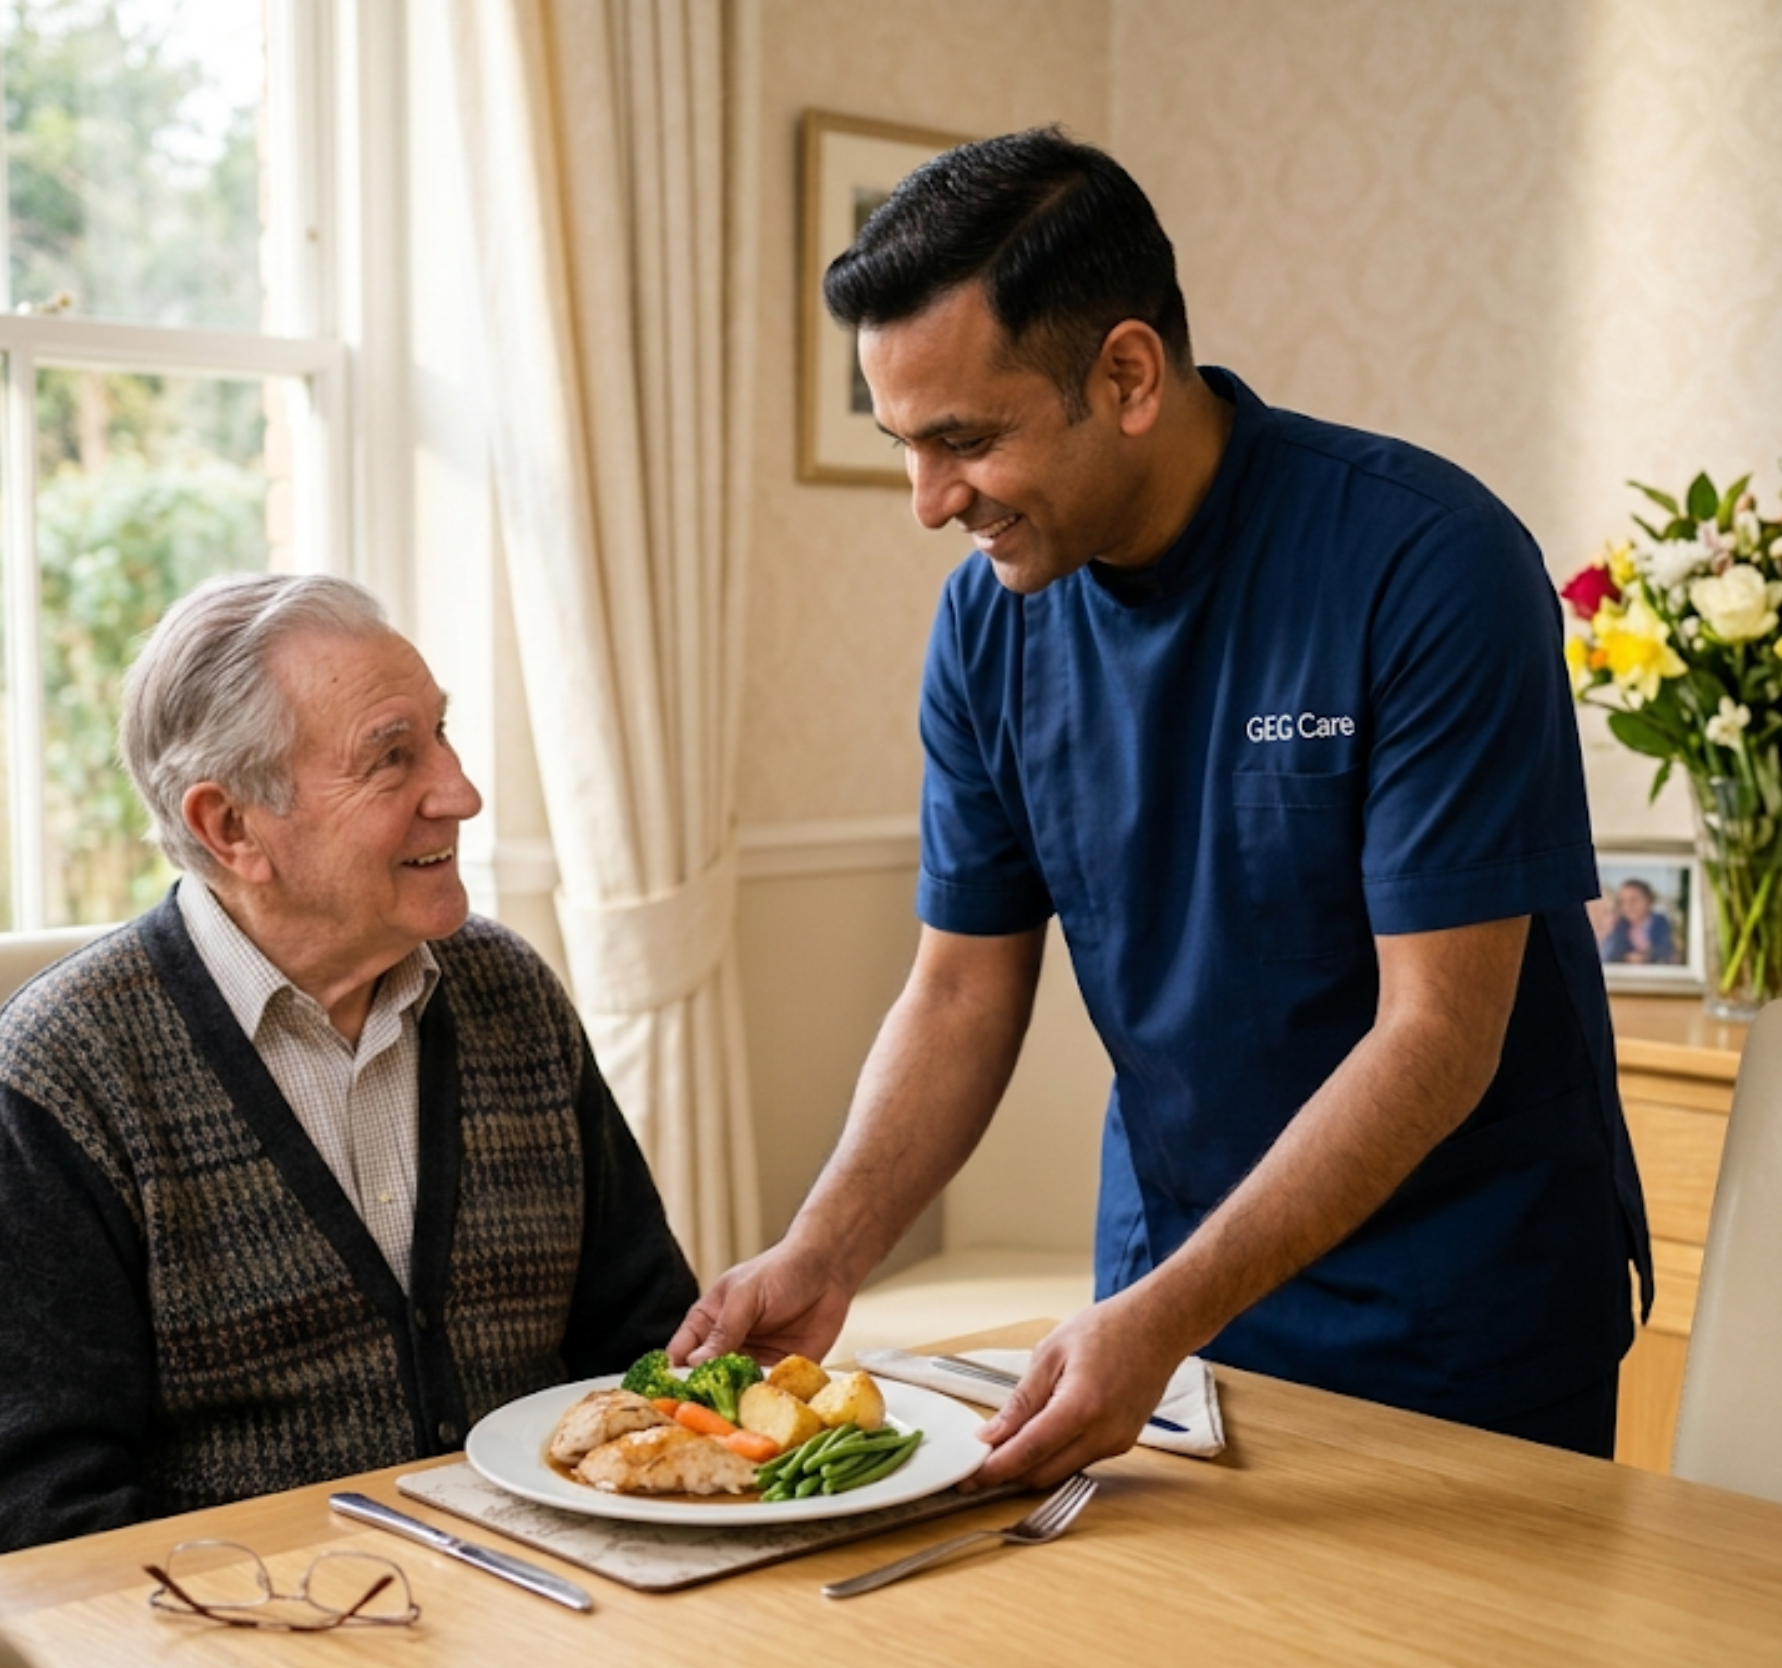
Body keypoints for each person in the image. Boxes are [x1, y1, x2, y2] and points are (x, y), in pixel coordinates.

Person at [672, 128, 1650, 1484]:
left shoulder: (1432, 568)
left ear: (1127, 374)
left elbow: (1439, 1032)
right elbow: (959, 993)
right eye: (904, 443)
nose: (927, 501)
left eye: (963, 440)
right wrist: (825, 1248)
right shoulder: (988, 628)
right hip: (1161, 1312)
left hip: (1455, 1320)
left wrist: (1166, 1312)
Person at [0, 571, 696, 1556]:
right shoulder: (65, 1071)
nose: (460, 791)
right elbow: (45, 1528)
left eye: (440, 734)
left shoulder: (509, 991)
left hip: (569, 1604)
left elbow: (645, 1351)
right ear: (232, 828)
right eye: (392, 759)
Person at [1600, 878, 1676, 964]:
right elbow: (1609, 956)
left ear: (1649, 901)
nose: (1628, 906)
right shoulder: (1621, 925)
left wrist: (1647, 956)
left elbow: (1665, 950)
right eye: (1622, 902)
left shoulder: (1660, 922)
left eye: (1634, 900)